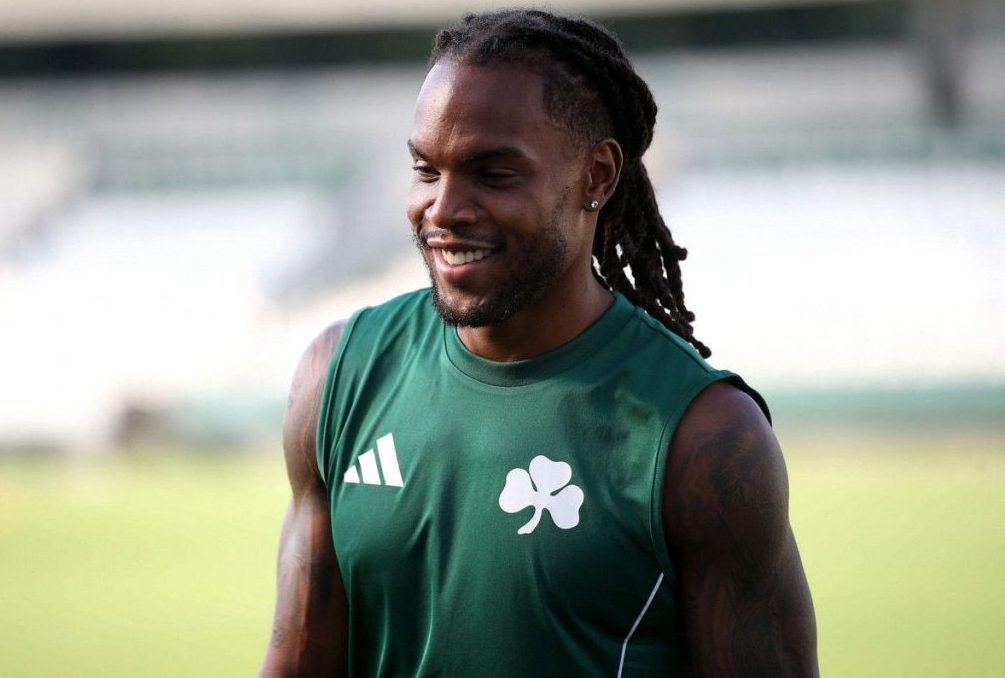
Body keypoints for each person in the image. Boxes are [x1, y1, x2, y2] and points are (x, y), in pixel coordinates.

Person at [261, 8, 817, 677]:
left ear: (597, 176)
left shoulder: (705, 436)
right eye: (426, 170)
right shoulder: (339, 376)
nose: (442, 209)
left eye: (493, 174)